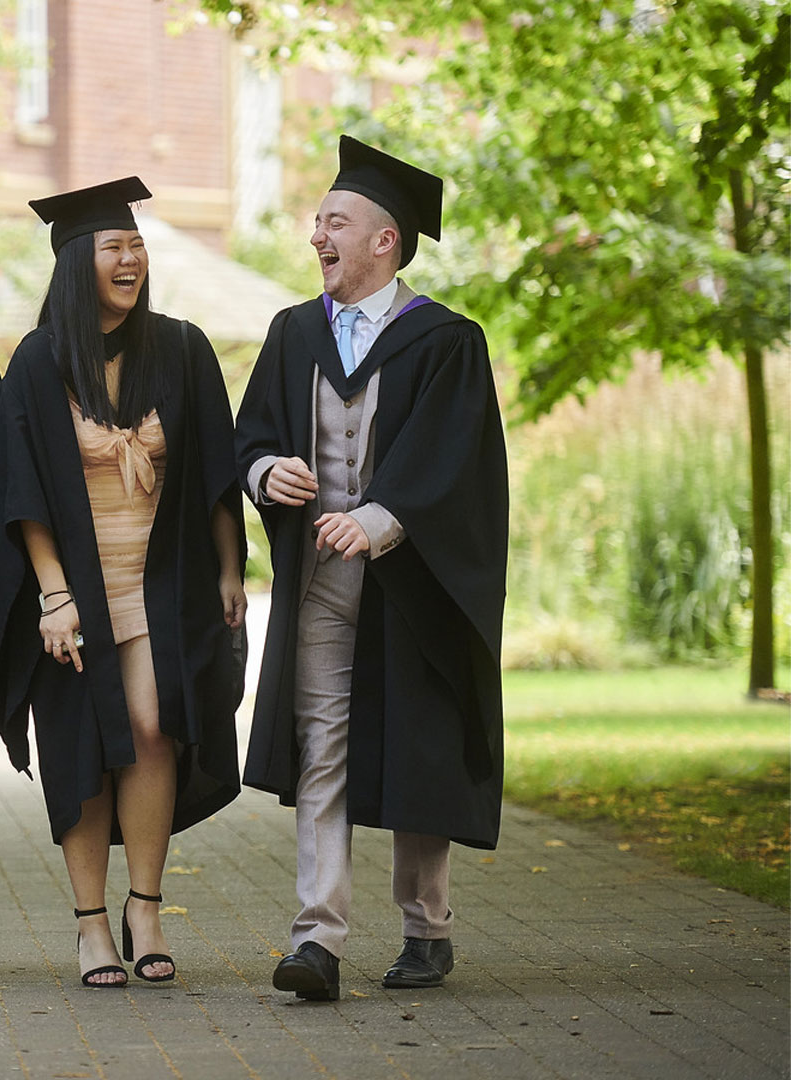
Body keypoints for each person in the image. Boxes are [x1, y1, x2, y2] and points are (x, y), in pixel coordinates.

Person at [235, 136, 509, 1001]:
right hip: (320, 584)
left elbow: (454, 459)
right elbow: (249, 438)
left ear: (384, 241)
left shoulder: (446, 341)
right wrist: (264, 474)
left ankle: (427, 930)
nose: (318, 235)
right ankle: (316, 939)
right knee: (324, 748)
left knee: (415, 746)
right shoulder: (291, 333)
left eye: (336, 223)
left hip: (412, 585)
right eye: (318, 221)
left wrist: (382, 518)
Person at [0, 178, 247, 989]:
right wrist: (53, 594)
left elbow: (212, 467)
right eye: (113, 248)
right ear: (76, 263)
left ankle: (146, 906)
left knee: (153, 724)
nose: (129, 259)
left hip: (160, 580)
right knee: (85, 747)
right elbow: (19, 488)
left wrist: (232, 568)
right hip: (75, 588)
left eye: (135, 246)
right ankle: (91, 924)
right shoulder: (38, 362)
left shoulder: (180, 347)